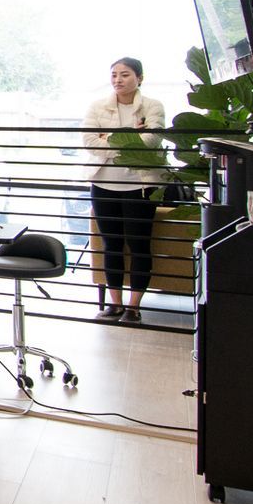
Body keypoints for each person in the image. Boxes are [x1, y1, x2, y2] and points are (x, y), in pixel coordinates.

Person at [83, 57, 167, 323]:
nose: (118, 80)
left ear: (139, 78)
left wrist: (109, 138)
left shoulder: (153, 106)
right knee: (112, 245)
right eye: (114, 75)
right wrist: (130, 134)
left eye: (125, 75)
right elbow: (89, 142)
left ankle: (133, 307)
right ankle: (115, 304)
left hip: (139, 185)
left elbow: (151, 141)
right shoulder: (98, 106)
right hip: (103, 183)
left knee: (139, 244)